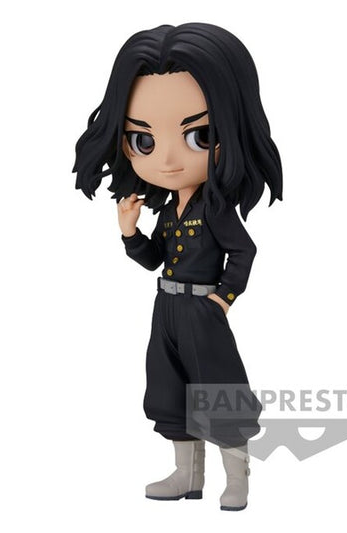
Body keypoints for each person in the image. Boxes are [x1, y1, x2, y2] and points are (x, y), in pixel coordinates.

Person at [72, 22, 282, 511]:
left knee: (219, 389)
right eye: (143, 140)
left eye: (198, 135)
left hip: (203, 310)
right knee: (169, 387)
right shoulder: (169, 210)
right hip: (165, 307)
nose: (166, 159)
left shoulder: (215, 210)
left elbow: (245, 251)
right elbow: (154, 260)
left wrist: (222, 298)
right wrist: (129, 232)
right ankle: (187, 475)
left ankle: (237, 479)